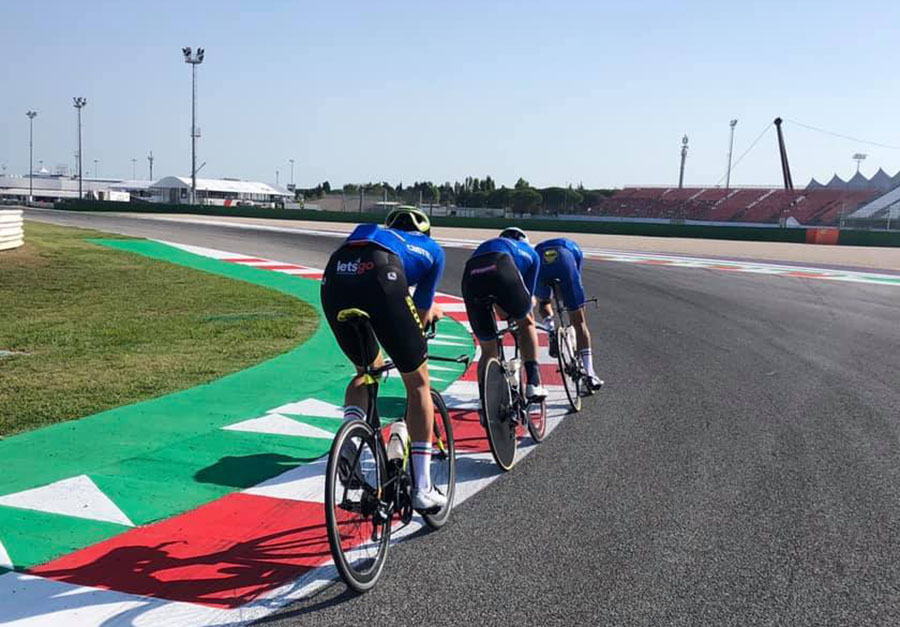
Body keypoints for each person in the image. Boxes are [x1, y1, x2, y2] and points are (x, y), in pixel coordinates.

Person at [320, 206, 446, 512]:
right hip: (382, 273)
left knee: (367, 370)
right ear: (425, 231)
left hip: (336, 273)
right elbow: (420, 311)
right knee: (418, 383)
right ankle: (423, 487)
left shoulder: (380, 235)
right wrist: (426, 322)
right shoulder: (432, 249)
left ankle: (352, 437)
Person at [461, 226, 547, 401]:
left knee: (488, 349)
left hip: (471, 273)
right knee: (527, 322)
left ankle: (485, 402)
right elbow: (527, 299)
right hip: (501, 265)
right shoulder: (531, 253)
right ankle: (534, 383)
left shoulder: (490, 244)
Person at [534, 237, 603, 391]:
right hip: (565, 259)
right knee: (580, 322)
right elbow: (576, 280)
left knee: (544, 302)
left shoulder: (537, 249)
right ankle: (590, 373)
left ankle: (551, 330)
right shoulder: (575, 249)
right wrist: (573, 304)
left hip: (539, 259)